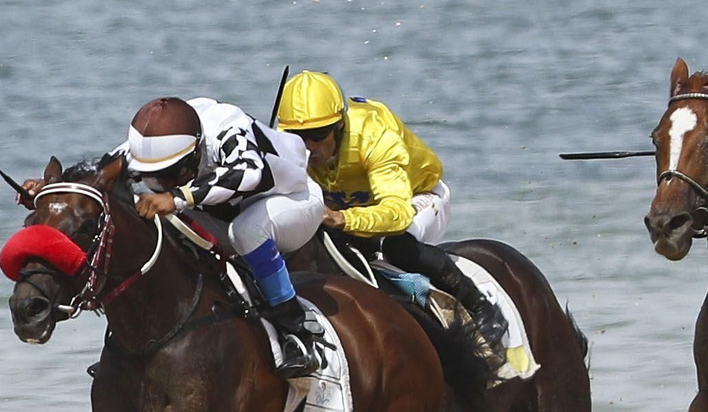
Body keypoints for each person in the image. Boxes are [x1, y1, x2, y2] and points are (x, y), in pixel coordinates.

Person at [273, 70, 509, 356]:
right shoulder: (286, 146)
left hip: (417, 197)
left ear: (339, 126)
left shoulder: (374, 135)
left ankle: (482, 306)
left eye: (318, 135)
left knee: (398, 246)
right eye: (298, 137)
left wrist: (342, 218)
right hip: (349, 205)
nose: (309, 147)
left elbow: (397, 214)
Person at [127, 96, 324, 377]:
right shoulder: (151, 142)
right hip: (228, 212)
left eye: (172, 174)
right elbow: (102, 173)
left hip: (295, 199)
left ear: (195, 152)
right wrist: (48, 189)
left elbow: (250, 172)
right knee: (159, 224)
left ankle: (296, 330)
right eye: (154, 177)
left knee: (245, 231)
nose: (163, 184)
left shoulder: (227, 124)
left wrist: (177, 196)